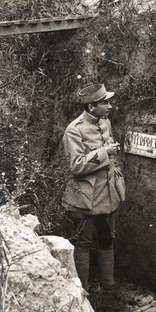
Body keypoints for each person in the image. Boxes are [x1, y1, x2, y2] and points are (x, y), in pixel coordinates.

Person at [61, 83, 125, 294]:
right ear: (91, 107)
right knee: (83, 243)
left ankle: (110, 288)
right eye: (104, 102)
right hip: (85, 198)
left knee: (108, 240)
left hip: (108, 194)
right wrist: (104, 152)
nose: (109, 106)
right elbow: (76, 166)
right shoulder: (74, 130)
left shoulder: (105, 122)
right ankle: (84, 292)